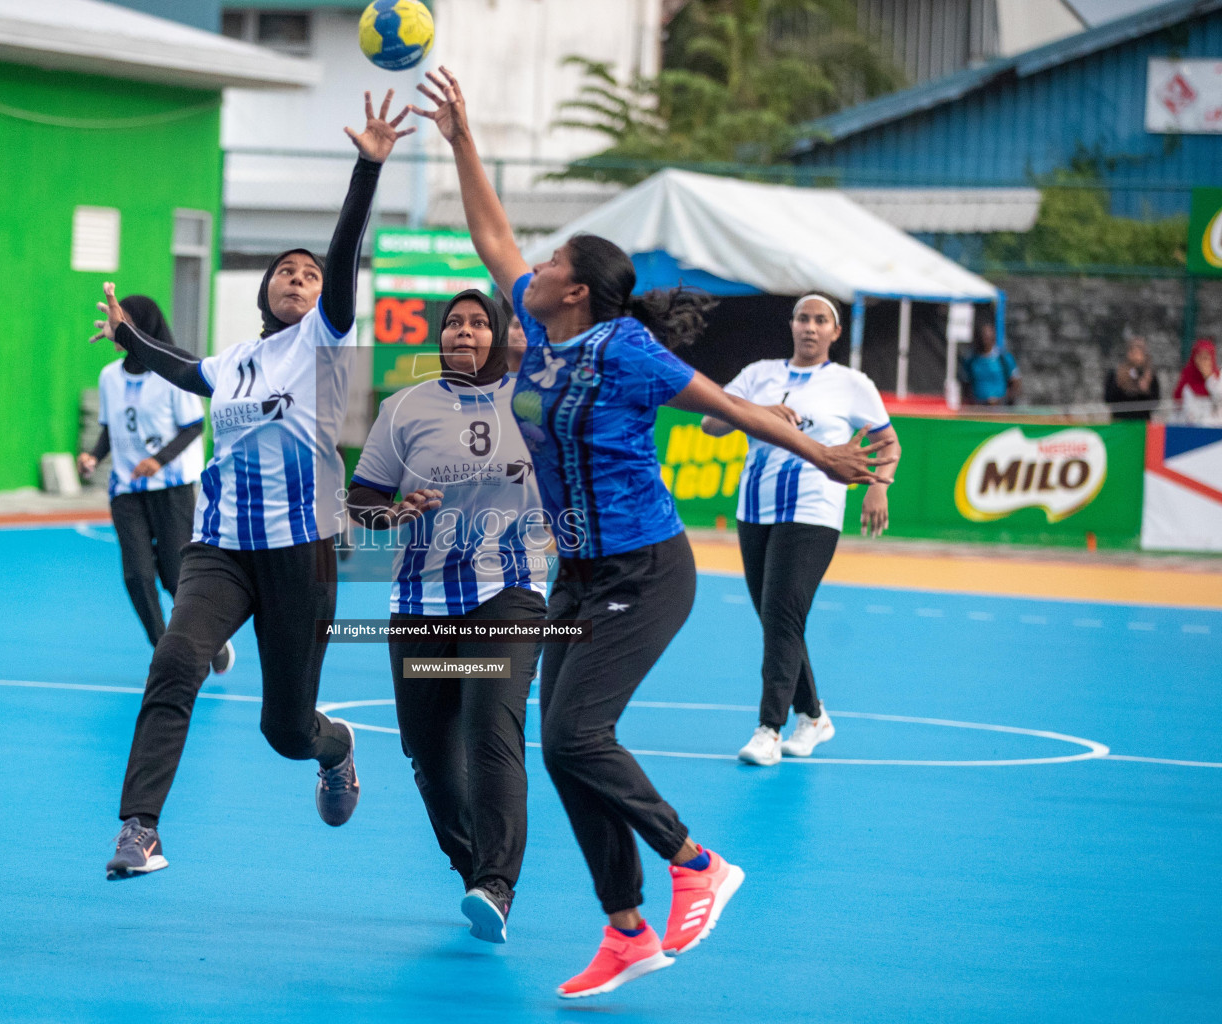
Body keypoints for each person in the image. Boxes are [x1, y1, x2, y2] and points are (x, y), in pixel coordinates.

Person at [411, 68, 894, 999]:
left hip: (647, 567)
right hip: (580, 573)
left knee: (577, 734)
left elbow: (730, 408)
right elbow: (490, 232)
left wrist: (824, 458)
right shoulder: (542, 337)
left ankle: (696, 862)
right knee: (562, 743)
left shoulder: (627, 348)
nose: (533, 270)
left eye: (551, 266)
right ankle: (627, 929)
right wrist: (462, 137)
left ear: (581, 291)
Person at [91, 91, 414, 881]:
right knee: (174, 663)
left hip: (300, 554)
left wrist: (366, 171)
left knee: (285, 731)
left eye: (309, 274)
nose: (301, 279)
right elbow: (181, 368)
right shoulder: (235, 360)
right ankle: (140, 829)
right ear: (264, 291)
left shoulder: (324, 337)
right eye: (286, 272)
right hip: (220, 549)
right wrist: (130, 337)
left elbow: (343, 255)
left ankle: (334, 749)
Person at [347, 289, 549, 944]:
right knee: (430, 756)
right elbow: (364, 498)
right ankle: (473, 872)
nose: (464, 331)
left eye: (478, 321)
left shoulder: (531, 402)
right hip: (422, 605)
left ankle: (499, 881)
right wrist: (391, 513)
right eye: (454, 323)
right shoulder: (405, 407)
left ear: (499, 336)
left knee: (492, 731)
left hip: (507, 594)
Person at [701, 295, 901, 767]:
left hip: (815, 509)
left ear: (835, 332)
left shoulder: (852, 384)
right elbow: (711, 423)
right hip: (756, 508)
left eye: (821, 321)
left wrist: (879, 489)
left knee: (783, 613)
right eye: (803, 318)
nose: (810, 327)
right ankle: (812, 715)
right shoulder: (757, 375)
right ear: (791, 325)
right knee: (776, 619)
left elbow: (887, 443)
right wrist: (755, 411)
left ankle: (768, 730)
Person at [78, 296, 234, 674]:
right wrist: (94, 457)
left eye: (124, 320)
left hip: (172, 488)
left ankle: (208, 638)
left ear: (144, 328)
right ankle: (165, 650)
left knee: (172, 574)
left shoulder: (171, 374)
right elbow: (111, 428)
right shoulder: (109, 378)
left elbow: (194, 426)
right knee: (136, 575)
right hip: (126, 490)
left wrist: (157, 460)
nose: (116, 326)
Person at [960, 322, 1021, 407]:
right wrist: (970, 401)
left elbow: (1015, 382)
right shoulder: (971, 360)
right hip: (978, 407)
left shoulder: (1003, 358)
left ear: (993, 339)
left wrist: (1004, 400)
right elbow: (965, 383)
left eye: (987, 338)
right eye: (982, 337)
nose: (984, 341)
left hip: (1000, 408)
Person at [1103, 335, 1161, 421]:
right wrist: (1119, 385)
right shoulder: (1116, 374)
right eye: (1133, 351)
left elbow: (1155, 403)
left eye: (1140, 351)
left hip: (1142, 424)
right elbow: (1108, 399)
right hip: (1120, 422)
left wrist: (1145, 391)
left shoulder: (1149, 376)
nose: (1136, 356)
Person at [1174, 339, 1221, 426]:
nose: (1203, 362)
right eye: (1200, 357)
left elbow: (1219, 398)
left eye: (1206, 358)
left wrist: (1209, 378)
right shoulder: (1188, 381)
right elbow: (1183, 408)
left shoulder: (1219, 378)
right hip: (1194, 429)